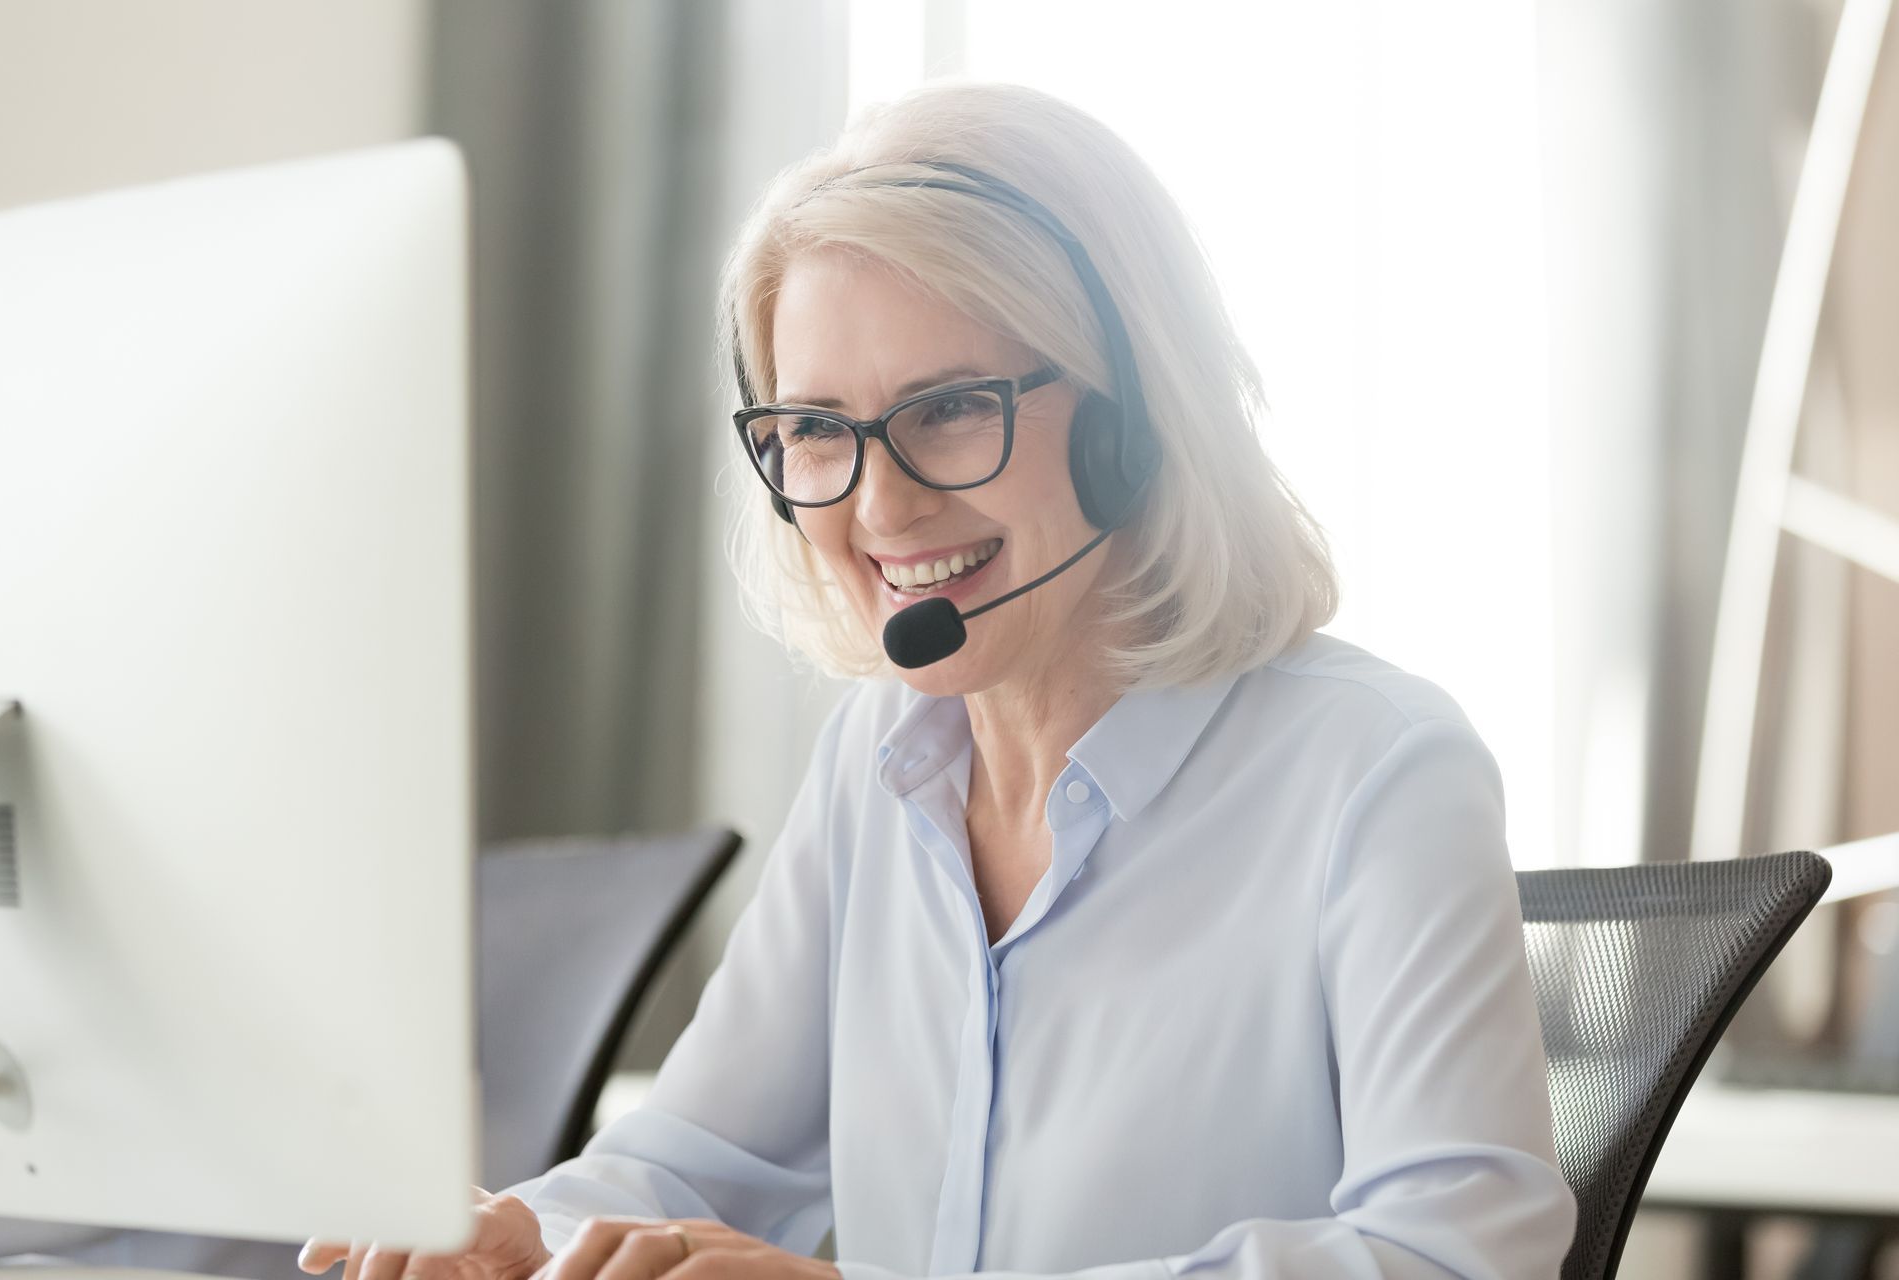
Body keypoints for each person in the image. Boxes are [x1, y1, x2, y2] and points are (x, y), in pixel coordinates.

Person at [300, 80, 1579, 1280]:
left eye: (953, 407)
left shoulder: (1376, 768)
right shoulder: (882, 758)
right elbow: (698, 1157)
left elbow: (1458, 1253)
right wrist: (520, 1233)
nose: (882, 504)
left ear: (1133, 426)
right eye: (815, 431)